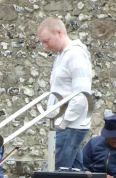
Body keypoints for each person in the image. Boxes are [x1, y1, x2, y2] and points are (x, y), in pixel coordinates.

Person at [37, 17, 92, 170]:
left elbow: (82, 93)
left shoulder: (75, 54)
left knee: (55, 173)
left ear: (59, 33)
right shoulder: (63, 55)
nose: (45, 46)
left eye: (47, 41)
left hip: (70, 125)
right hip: (67, 124)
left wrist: (65, 122)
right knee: (74, 174)